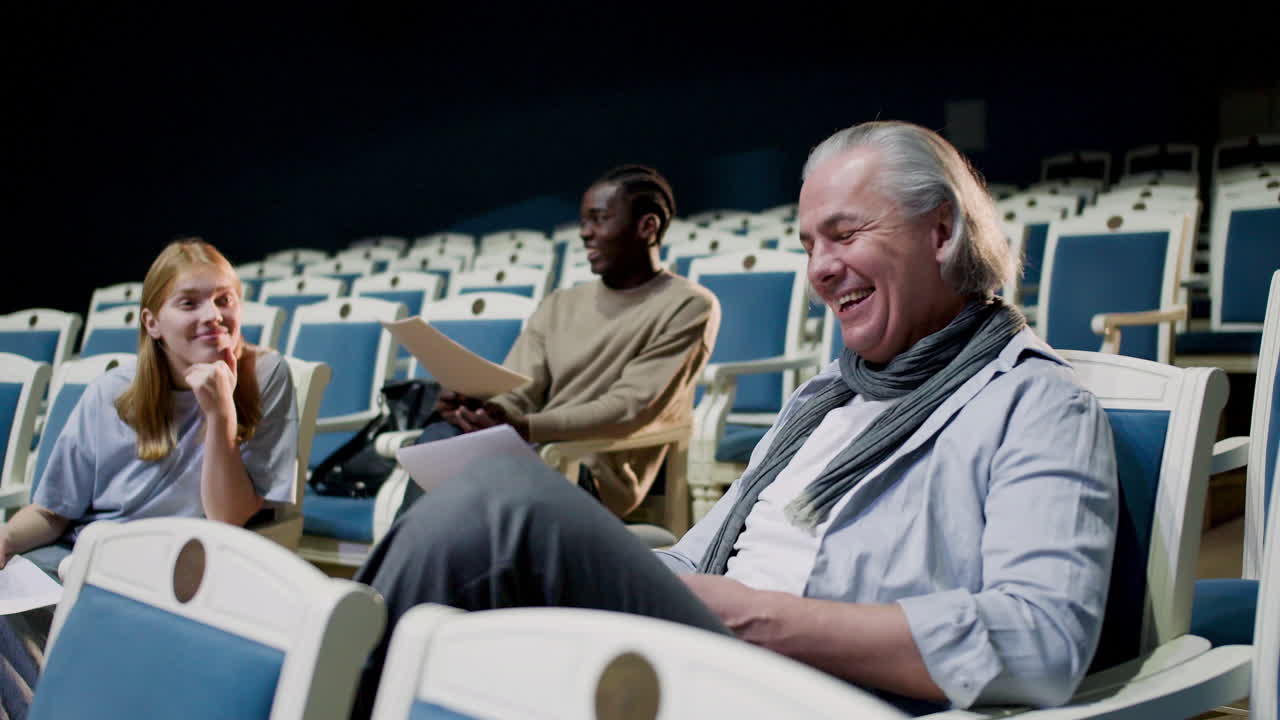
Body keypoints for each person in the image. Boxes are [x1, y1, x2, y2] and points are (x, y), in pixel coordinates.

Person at [350, 122, 1119, 717]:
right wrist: (634, 580)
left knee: (503, 507)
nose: (818, 268)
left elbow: (1043, 639)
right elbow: (694, 561)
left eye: (845, 234)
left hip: (808, 692)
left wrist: (755, 616)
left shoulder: (1035, 403)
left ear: (942, 231)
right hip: (706, 656)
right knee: (477, 526)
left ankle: (325, 682)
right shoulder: (828, 395)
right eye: (809, 244)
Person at [403, 164, 721, 518]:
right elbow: (520, 391)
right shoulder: (560, 303)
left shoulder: (688, 304)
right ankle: (405, 568)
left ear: (647, 227)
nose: (585, 234)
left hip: (592, 467)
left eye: (599, 219)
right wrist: (481, 412)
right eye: (584, 222)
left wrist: (526, 427)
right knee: (440, 437)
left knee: (470, 489)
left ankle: (417, 565)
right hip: (530, 448)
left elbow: (629, 407)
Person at [0, 238, 299, 573]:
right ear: (152, 323)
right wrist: (6, 539)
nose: (213, 315)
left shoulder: (264, 375)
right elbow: (52, 514)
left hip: (174, 564)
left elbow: (229, 518)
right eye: (189, 303)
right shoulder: (109, 390)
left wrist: (220, 414)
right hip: (84, 553)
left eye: (224, 300)